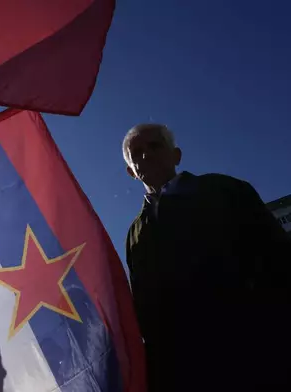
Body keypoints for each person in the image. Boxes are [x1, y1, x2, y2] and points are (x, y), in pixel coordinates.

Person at [123, 123, 291, 391]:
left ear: (176, 155)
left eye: (155, 146)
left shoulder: (224, 190)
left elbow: (277, 257)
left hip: (256, 352)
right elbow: (145, 306)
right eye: (137, 152)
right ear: (131, 171)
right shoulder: (134, 234)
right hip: (185, 371)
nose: (146, 155)